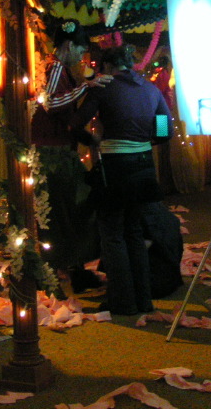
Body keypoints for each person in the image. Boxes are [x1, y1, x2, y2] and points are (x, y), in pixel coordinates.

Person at [70, 44, 173, 315]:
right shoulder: (151, 89)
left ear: (107, 66)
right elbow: (166, 129)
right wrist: (146, 140)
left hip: (115, 167)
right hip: (144, 165)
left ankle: (123, 301)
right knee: (135, 232)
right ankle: (143, 299)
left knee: (113, 234)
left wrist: (92, 140)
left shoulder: (103, 87)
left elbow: (75, 123)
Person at [30, 19, 112, 293]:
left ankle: (71, 270)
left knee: (65, 214)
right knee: (66, 213)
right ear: (67, 45)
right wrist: (88, 86)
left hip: (57, 153)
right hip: (52, 155)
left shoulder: (57, 68)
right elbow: (51, 102)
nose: (81, 56)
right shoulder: (55, 67)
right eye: (79, 49)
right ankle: (55, 272)